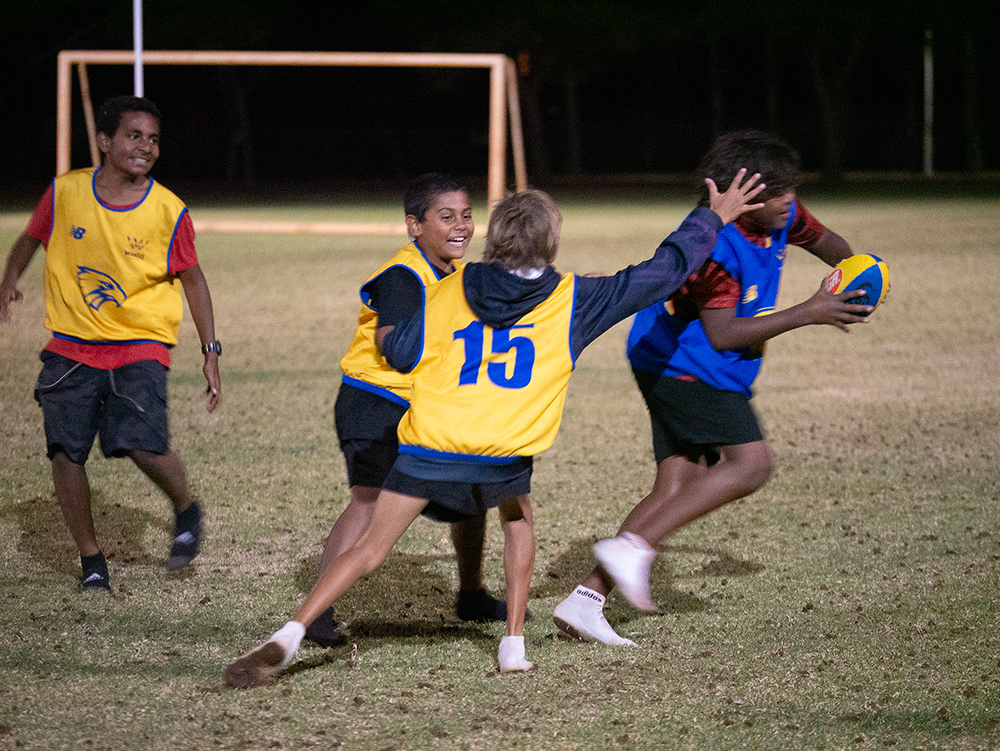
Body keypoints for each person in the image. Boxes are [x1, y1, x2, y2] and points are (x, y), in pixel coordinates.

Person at [223, 169, 766, 688]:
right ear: (551, 242)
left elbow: (404, 352)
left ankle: (292, 630)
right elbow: (662, 273)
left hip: (432, 441)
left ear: (495, 237)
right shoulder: (573, 298)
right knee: (517, 518)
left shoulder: (449, 288)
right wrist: (709, 219)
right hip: (502, 449)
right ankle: (513, 646)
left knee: (369, 550)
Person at [553, 129, 875, 646]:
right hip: (680, 366)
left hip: (691, 362)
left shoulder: (781, 213)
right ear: (741, 194)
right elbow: (723, 334)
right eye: (778, 192)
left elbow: (827, 241)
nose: (789, 200)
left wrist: (857, 273)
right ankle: (632, 547)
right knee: (751, 465)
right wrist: (810, 311)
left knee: (675, 486)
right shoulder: (715, 246)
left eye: (792, 188)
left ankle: (585, 602)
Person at [0, 95, 221, 592]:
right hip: (71, 346)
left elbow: (194, 279)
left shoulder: (168, 210)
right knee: (65, 452)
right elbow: (29, 239)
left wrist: (210, 351)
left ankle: (186, 506)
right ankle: (92, 560)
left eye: (154, 139)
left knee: (140, 443)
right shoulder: (65, 193)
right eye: (134, 135)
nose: (146, 147)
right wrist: (9, 277)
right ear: (104, 141)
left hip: (139, 343)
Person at [305, 172, 512, 649]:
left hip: (419, 408)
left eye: (465, 215)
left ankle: (472, 594)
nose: (460, 225)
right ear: (413, 226)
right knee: (370, 501)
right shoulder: (404, 274)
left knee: (472, 488)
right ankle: (316, 612)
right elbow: (392, 343)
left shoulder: (456, 274)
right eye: (445, 217)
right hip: (375, 403)